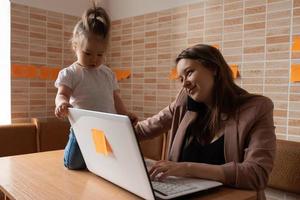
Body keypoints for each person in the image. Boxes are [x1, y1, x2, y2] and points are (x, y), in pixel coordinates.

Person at [135, 44, 276, 200]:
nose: (184, 84)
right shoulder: (183, 102)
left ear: (214, 69)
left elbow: (257, 174)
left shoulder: (257, 108)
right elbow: (142, 130)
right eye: (181, 78)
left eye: (189, 73)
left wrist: (187, 168)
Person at [54, 3, 137, 170]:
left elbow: (116, 98)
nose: (94, 59)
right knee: (74, 164)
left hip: (106, 128)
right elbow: (62, 93)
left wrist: (126, 114)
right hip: (82, 128)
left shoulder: (107, 74)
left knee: (105, 163)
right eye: (88, 53)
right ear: (75, 47)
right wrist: (61, 103)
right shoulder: (71, 73)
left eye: (100, 54)